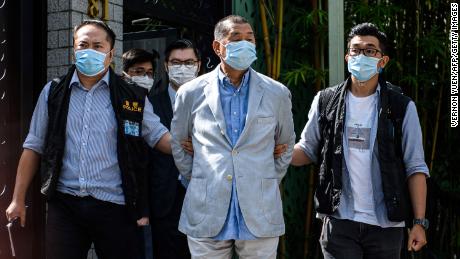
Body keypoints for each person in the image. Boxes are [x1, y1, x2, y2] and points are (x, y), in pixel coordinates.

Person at [5, 19, 172, 259]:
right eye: (83, 45)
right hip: (65, 205)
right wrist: (17, 199)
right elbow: (33, 146)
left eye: (98, 46)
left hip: (115, 207)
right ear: (74, 49)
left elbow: (157, 136)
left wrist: (190, 145)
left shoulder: (132, 95)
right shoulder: (53, 92)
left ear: (110, 53)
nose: (89, 51)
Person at [291, 23, 429, 258]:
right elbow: (306, 149)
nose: (361, 56)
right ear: (347, 57)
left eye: (370, 50)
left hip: (386, 225)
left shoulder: (401, 107)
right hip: (339, 221)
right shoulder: (325, 101)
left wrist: (419, 222)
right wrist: (276, 149)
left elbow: (415, 167)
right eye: (355, 50)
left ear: (382, 61)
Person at [170, 15, 296, 258]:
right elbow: (179, 143)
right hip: (206, 207)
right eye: (236, 38)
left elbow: (285, 144)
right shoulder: (190, 93)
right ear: (218, 47)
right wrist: (201, 176)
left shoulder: (277, 93)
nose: (246, 44)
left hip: (259, 208)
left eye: (250, 39)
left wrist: (265, 176)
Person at [147, 39, 201, 259]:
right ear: (167, 66)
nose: (183, 67)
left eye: (189, 62)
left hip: (203, 197)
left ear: (198, 65)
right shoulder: (150, 103)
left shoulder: (215, 102)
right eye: (176, 62)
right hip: (164, 199)